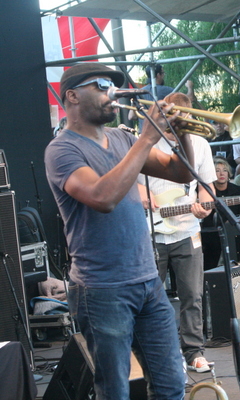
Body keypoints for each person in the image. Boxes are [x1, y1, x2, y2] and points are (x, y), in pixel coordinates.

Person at [45, 63, 192, 398]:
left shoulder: (123, 138)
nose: (113, 93)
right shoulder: (61, 149)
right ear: (72, 95)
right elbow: (102, 197)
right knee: (115, 391)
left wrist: (181, 132)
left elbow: (181, 173)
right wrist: (149, 136)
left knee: (172, 385)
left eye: (115, 85)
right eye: (101, 85)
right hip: (102, 290)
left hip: (147, 281)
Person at [137, 91, 216, 374]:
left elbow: (207, 185)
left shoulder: (200, 144)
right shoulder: (145, 141)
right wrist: (141, 190)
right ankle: (157, 357)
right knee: (150, 300)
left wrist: (206, 204)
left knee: (192, 295)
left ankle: (194, 352)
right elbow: (128, 178)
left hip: (186, 229)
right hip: (150, 232)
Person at [201, 157, 240, 271]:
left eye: (224, 170)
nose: (221, 173)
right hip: (211, 234)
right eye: (217, 171)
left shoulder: (238, 190)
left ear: (229, 173)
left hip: (233, 232)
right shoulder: (206, 192)